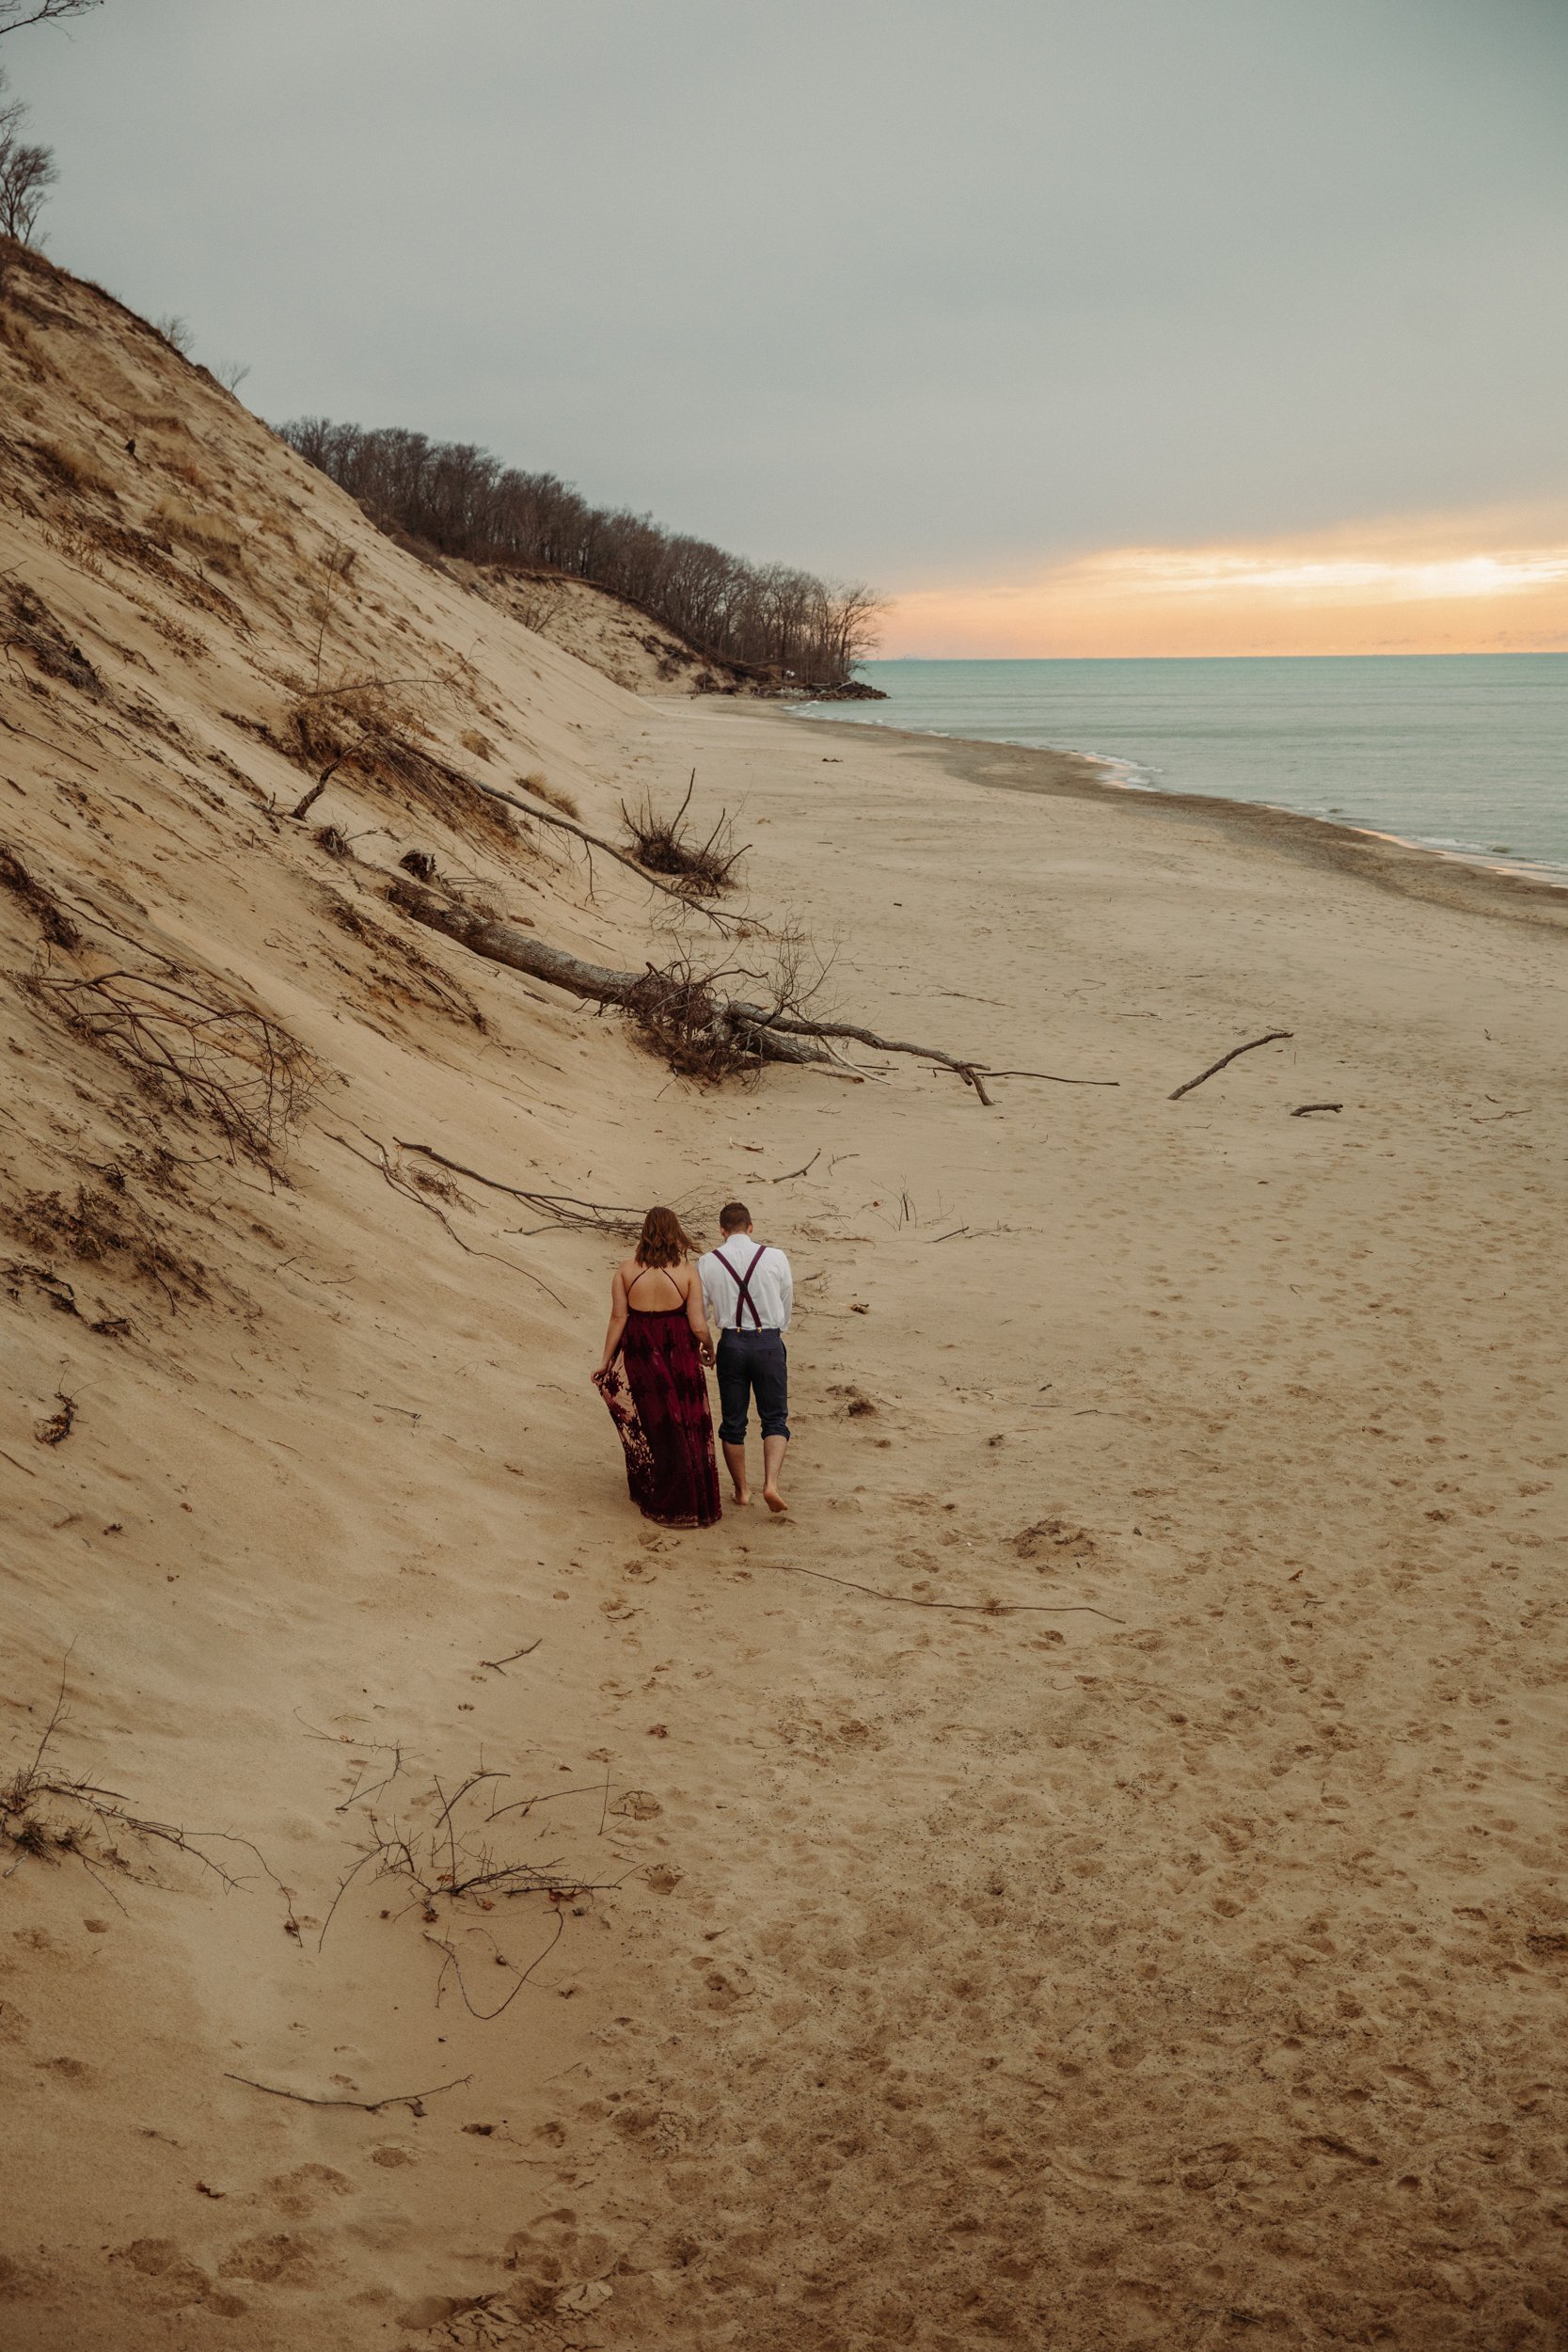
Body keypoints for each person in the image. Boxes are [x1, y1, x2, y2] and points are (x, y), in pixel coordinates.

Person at [593, 1206, 721, 1529]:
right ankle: (687, 1501)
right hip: (677, 1351)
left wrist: (606, 1361)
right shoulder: (687, 1272)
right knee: (684, 1421)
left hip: (639, 1350)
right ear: (675, 1232)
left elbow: (618, 1318)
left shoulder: (625, 1269)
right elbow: (696, 1322)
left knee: (656, 1422)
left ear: (645, 1232)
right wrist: (708, 1345)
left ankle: (663, 1492)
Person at [699, 1201, 793, 1514]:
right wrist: (777, 1330)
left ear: (721, 1230)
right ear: (750, 1227)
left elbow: (700, 1312)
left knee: (733, 1422)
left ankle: (741, 1490)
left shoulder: (708, 1262)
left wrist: (707, 1344)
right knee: (775, 1418)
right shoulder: (775, 1256)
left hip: (732, 1343)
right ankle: (771, 1484)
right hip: (767, 1340)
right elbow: (786, 1297)